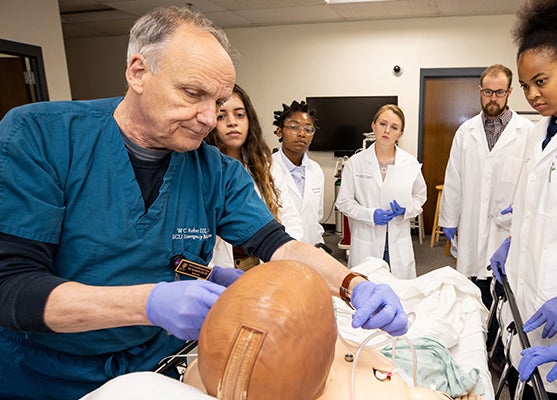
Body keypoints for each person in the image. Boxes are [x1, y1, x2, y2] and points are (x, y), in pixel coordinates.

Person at [0, 7, 409, 399]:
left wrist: (352, 285)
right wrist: (151, 303)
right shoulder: (42, 138)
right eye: (193, 94)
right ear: (138, 71)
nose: (209, 118)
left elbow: (280, 246)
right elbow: (11, 289)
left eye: (217, 101)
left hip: (152, 367)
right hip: (43, 372)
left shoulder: (216, 171)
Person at [489, 0, 557, 398]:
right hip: (528, 299)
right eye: (524, 86)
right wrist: (513, 240)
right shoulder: (540, 131)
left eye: (541, 81)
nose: (532, 94)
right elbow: (537, 208)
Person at [439, 64, 533, 307]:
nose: (493, 98)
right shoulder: (465, 131)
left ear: (509, 92)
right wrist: (448, 220)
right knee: (472, 291)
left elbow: (533, 181)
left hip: (508, 228)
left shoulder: (527, 133)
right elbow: (454, 178)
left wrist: (523, 209)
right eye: (488, 92)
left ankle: (498, 342)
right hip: (472, 223)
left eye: (499, 92)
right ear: (480, 90)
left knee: (504, 292)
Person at [204, 83, 304, 270]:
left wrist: (283, 258)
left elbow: (290, 217)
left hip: (265, 264)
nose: (232, 122)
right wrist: (212, 274)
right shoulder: (201, 170)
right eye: (221, 116)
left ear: (249, 120)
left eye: (239, 114)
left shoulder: (267, 165)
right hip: (218, 269)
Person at [335, 104, 427, 279]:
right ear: (373, 126)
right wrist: (370, 215)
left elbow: (420, 196)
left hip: (398, 240)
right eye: (383, 124)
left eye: (394, 127)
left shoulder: (409, 162)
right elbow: (344, 202)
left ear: (400, 134)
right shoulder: (356, 163)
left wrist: (406, 210)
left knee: (400, 294)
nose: (387, 130)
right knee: (366, 292)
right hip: (366, 239)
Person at [271, 100, 326, 247]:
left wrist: (319, 243)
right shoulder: (265, 169)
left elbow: (316, 217)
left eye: (308, 129)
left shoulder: (316, 170)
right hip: (279, 250)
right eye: (294, 127)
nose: (302, 133)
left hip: (312, 248)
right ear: (279, 131)